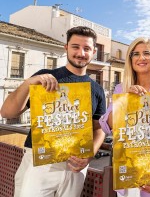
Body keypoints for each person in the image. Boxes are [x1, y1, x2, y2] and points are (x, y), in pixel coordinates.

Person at [0, 26, 106, 197]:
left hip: (75, 166)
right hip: (39, 163)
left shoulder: (97, 89)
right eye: (75, 47)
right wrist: (29, 83)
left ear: (93, 51)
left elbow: (98, 128)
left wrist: (90, 155)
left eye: (86, 48)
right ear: (66, 48)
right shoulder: (44, 77)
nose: (81, 53)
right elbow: (7, 113)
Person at [99, 37, 150, 197]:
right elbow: (106, 125)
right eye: (135, 54)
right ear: (130, 59)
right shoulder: (121, 88)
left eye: (146, 53)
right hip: (128, 172)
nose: (141, 58)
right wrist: (124, 101)